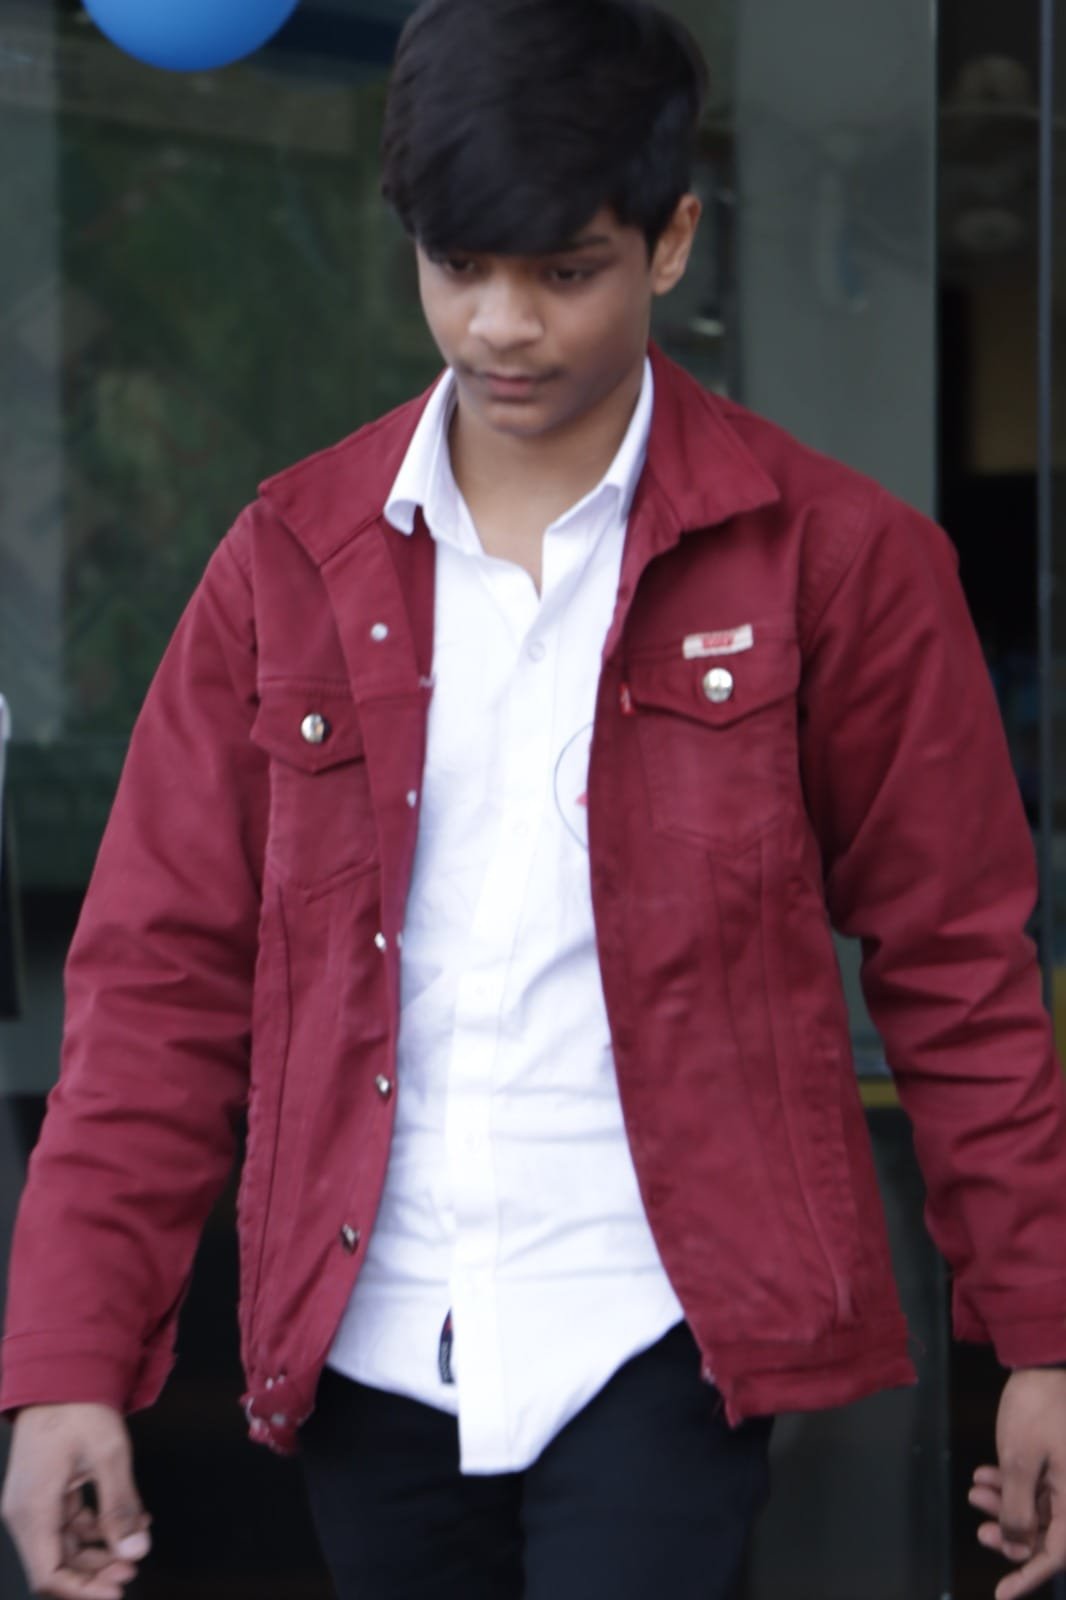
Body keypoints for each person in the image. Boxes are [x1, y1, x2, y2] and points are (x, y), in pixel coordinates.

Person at [3, 1, 1066, 1596]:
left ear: (670, 241)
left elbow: (957, 968)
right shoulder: (287, 560)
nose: (501, 326)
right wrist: (67, 1364)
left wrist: (1042, 1339)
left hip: (660, 1330)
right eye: (458, 267)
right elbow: (156, 985)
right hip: (366, 1339)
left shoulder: (835, 561)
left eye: (563, 272)